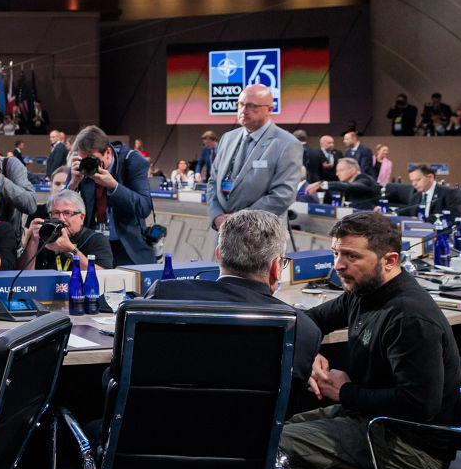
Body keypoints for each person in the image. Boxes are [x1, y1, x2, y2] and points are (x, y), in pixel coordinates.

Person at [278, 212, 459, 469]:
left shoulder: (409, 316)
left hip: (416, 445)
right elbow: (310, 320)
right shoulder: (366, 292)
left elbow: (419, 406)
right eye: (337, 253)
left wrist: (346, 392)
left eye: (351, 256)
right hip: (377, 424)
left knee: (277, 450)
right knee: (278, 431)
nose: (339, 265)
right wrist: (312, 356)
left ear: (390, 260)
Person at [144, 209, 320, 387]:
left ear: (219, 255)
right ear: (276, 267)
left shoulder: (162, 295)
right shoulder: (303, 329)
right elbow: (288, 404)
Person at [206, 84, 302, 234]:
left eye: (252, 106)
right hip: (225, 233)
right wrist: (217, 216)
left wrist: (239, 220)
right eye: (241, 104)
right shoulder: (227, 138)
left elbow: (283, 195)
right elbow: (213, 182)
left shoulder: (287, 144)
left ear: (270, 109)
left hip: (262, 236)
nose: (244, 111)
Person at [68, 125, 154, 266]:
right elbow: (61, 204)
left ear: (107, 152)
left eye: (93, 159)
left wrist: (114, 186)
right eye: (84, 160)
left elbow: (144, 207)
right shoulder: (80, 165)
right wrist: (72, 184)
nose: (88, 165)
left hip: (126, 246)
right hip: (92, 244)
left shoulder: (133, 162)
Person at [21, 188, 113, 273]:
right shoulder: (45, 236)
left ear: (81, 218)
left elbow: (104, 276)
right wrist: (33, 241)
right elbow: (23, 278)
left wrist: (70, 250)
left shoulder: (95, 239)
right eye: (56, 213)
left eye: (67, 213)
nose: (61, 219)